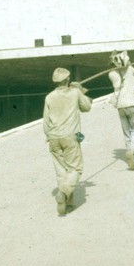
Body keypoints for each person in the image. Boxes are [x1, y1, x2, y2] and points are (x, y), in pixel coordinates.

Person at [43, 67, 92, 215]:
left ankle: (67, 203)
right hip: (70, 136)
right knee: (75, 169)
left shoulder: (49, 97)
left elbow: (46, 121)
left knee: (61, 171)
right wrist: (80, 90)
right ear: (67, 80)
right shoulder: (74, 92)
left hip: (53, 137)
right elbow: (86, 107)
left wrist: (49, 136)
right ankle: (64, 194)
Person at [108, 50, 134, 170]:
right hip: (133, 104)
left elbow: (117, 86)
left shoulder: (111, 73)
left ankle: (131, 154)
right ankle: (132, 150)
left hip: (121, 106)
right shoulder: (131, 69)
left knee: (127, 132)